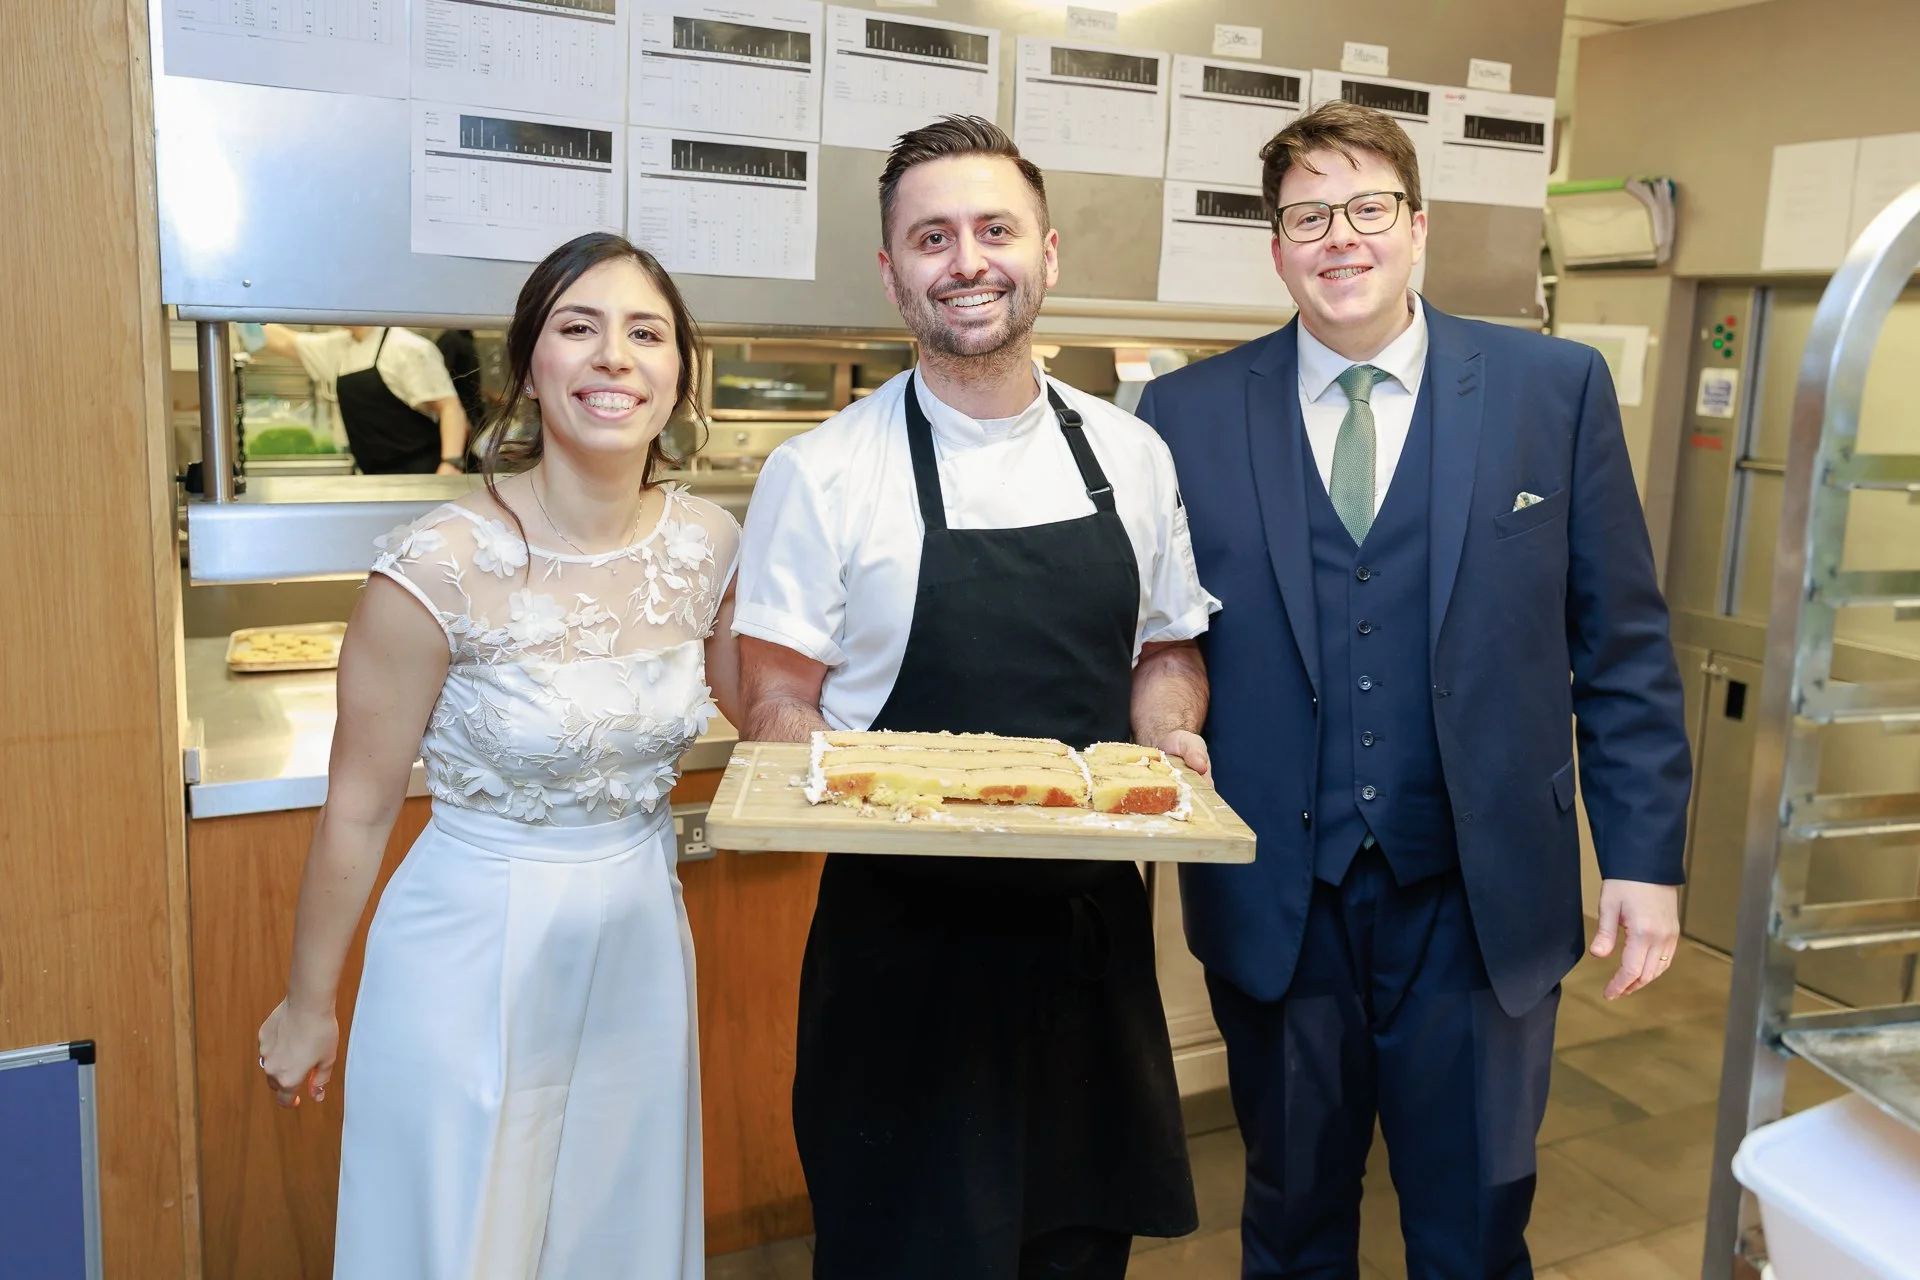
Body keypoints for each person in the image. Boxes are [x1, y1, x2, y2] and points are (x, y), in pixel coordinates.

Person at [1134, 101, 1692, 1278]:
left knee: (1476, 1220)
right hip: (1281, 895)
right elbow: (1151, 633)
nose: (1341, 238)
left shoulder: (1555, 388)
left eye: (1368, 207)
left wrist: (1643, 856)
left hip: (1480, 899)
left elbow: (1624, 644)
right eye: (1307, 215)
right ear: (1277, 245)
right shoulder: (1183, 415)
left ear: (1418, 225)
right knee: (1289, 1214)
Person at [733, 115, 1217, 1278]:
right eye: (932, 236)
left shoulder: (1131, 455)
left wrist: (1173, 738)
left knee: (1077, 1254)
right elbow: (773, 703)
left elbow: (1163, 651)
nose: (967, 260)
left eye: (994, 229)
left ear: (1047, 253)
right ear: (892, 269)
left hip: (1087, 952)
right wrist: (863, 779)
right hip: (904, 959)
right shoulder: (823, 470)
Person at [256, 232, 739, 1278]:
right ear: (529, 368)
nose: (615, 355)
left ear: (678, 374)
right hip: (469, 946)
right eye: (579, 328)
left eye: (644, 332)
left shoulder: (709, 543)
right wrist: (308, 1001)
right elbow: (358, 806)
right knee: (460, 1234)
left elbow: (777, 709)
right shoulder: (437, 565)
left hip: (640, 939)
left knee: (622, 1232)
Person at [259, 323, 471, 474]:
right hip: (375, 476)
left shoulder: (407, 347)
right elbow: (285, 342)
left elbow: (449, 407)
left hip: (425, 472)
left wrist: (450, 464)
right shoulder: (338, 346)